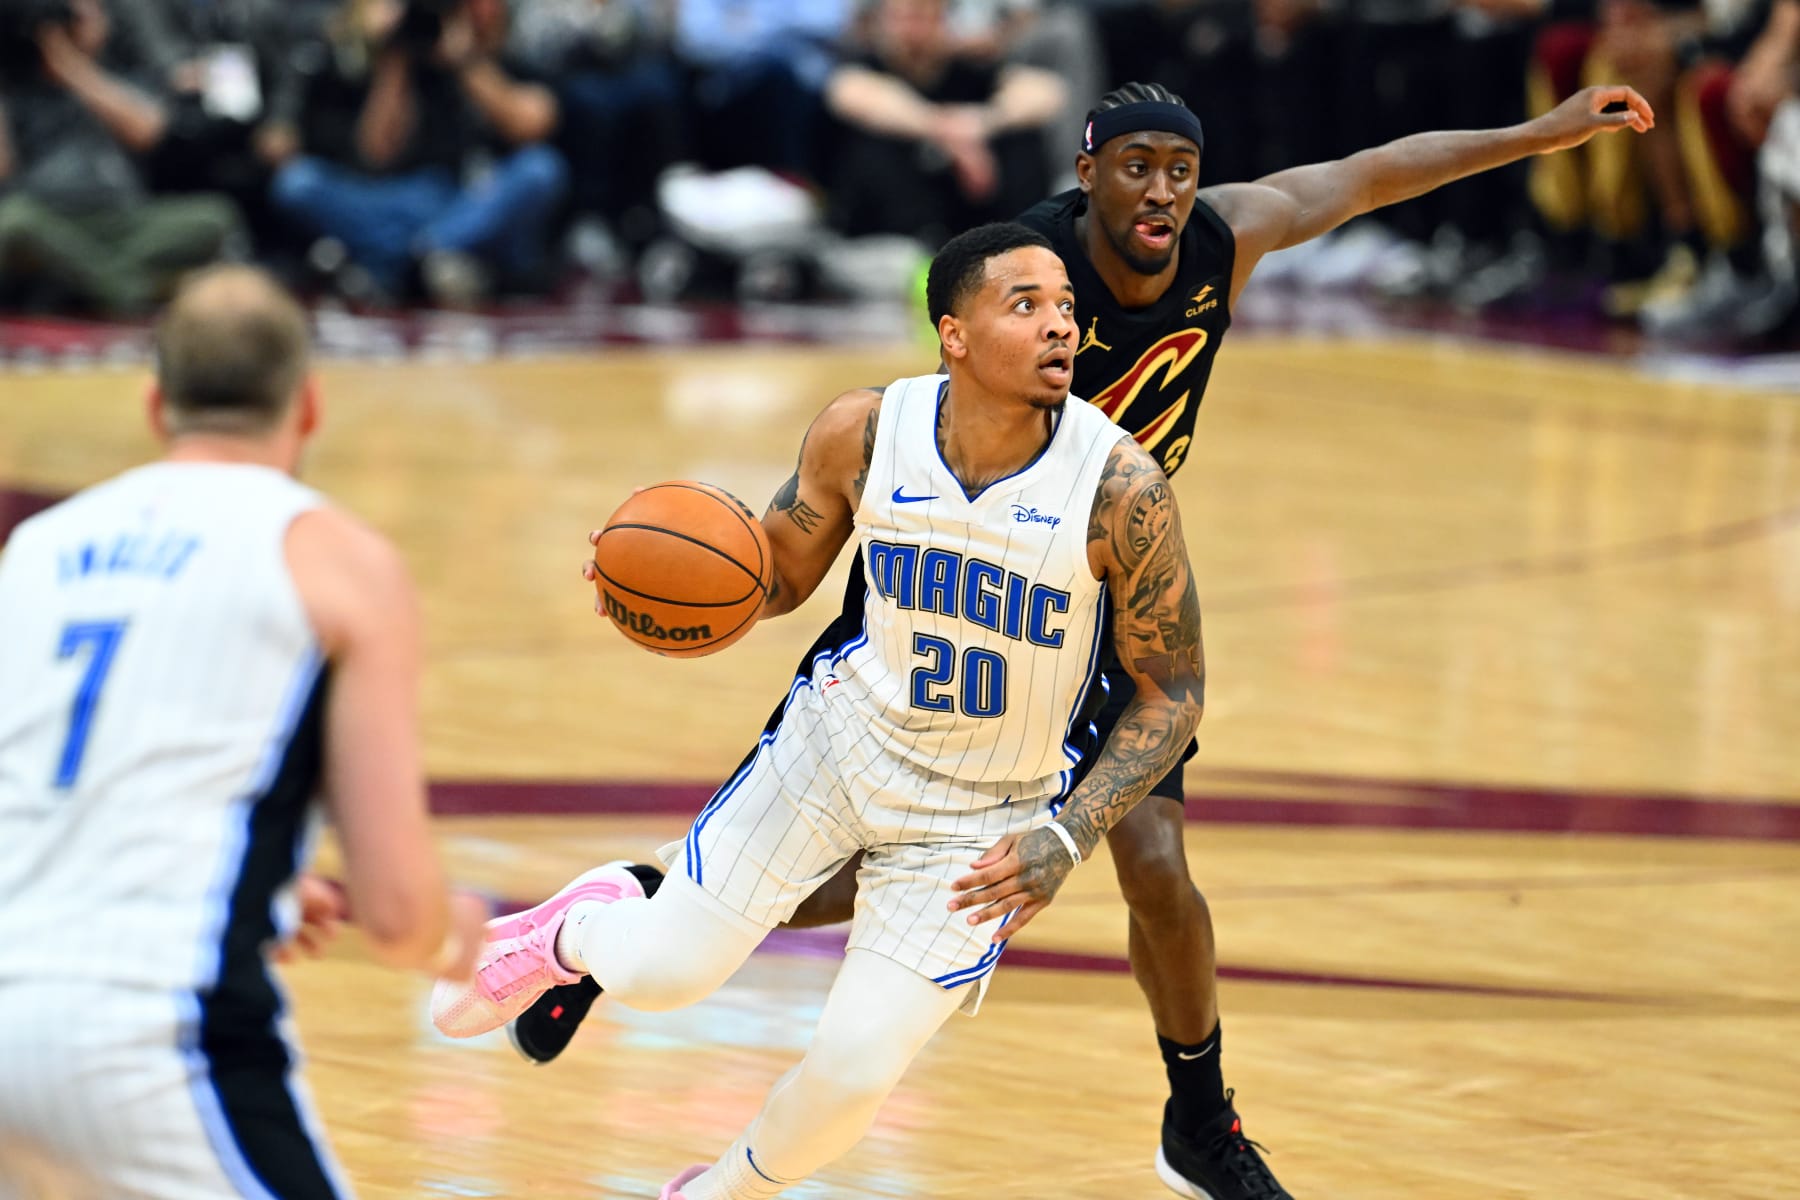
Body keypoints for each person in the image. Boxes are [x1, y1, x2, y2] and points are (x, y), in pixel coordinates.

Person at [511, 78, 1657, 1199]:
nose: (1163, 192)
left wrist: (1541, 133)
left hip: (1106, 590)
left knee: (1153, 867)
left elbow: (1363, 178)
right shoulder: (1028, 268)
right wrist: (685, 577)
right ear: (1088, 175)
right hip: (970, 578)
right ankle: (649, 914)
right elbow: (919, 396)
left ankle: (1199, 1121)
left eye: (1181, 171)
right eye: (1138, 169)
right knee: (884, 866)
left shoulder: (1220, 239)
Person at [430, 221, 1208, 1200]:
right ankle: (571, 934)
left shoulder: (1119, 488)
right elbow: (778, 576)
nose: (1061, 326)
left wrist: (1070, 832)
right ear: (953, 333)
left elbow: (1174, 694)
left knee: (849, 1082)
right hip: (834, 747)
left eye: (1065, 307)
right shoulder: (867, 432)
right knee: (667, 976)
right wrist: (651, 573)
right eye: (1027, 305)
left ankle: (716, 1193)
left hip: (986, 818)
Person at [0, 266, 488, 1198]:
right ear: (308, 407)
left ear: (156, 404)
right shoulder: (341, 562)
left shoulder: (36, 550)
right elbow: (393, 915)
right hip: (150, 1039)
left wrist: (243, 875)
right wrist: (449, 935)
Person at [0, 0, 243, 316]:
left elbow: (148, 130)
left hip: (125, 223)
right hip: (54, 222)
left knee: (217, 216)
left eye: (92, 12)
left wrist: (72, 68)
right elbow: (3, 168)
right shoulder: (16, 85)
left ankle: (92, 283)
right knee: (14, 222)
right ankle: (127, 288)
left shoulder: (121, 73)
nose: (87, 19)